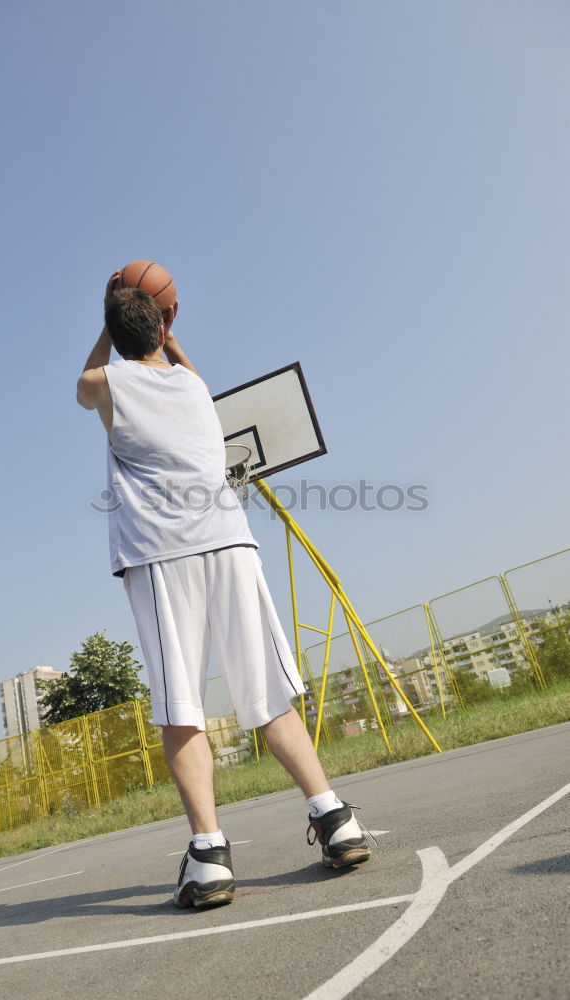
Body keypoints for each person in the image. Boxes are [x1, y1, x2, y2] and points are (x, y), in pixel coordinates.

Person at [76, 272, 372, 908]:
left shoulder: (111, 384)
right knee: (267, 693)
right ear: (164, 328)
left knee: (181, 707)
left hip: (163, 555)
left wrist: (112, 316)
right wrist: (162, 327)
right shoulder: (194, 387)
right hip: (233, 546)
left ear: (119, 335)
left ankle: (210, 856)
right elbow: (174, 360)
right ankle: (334, 817)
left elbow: (83, 385)